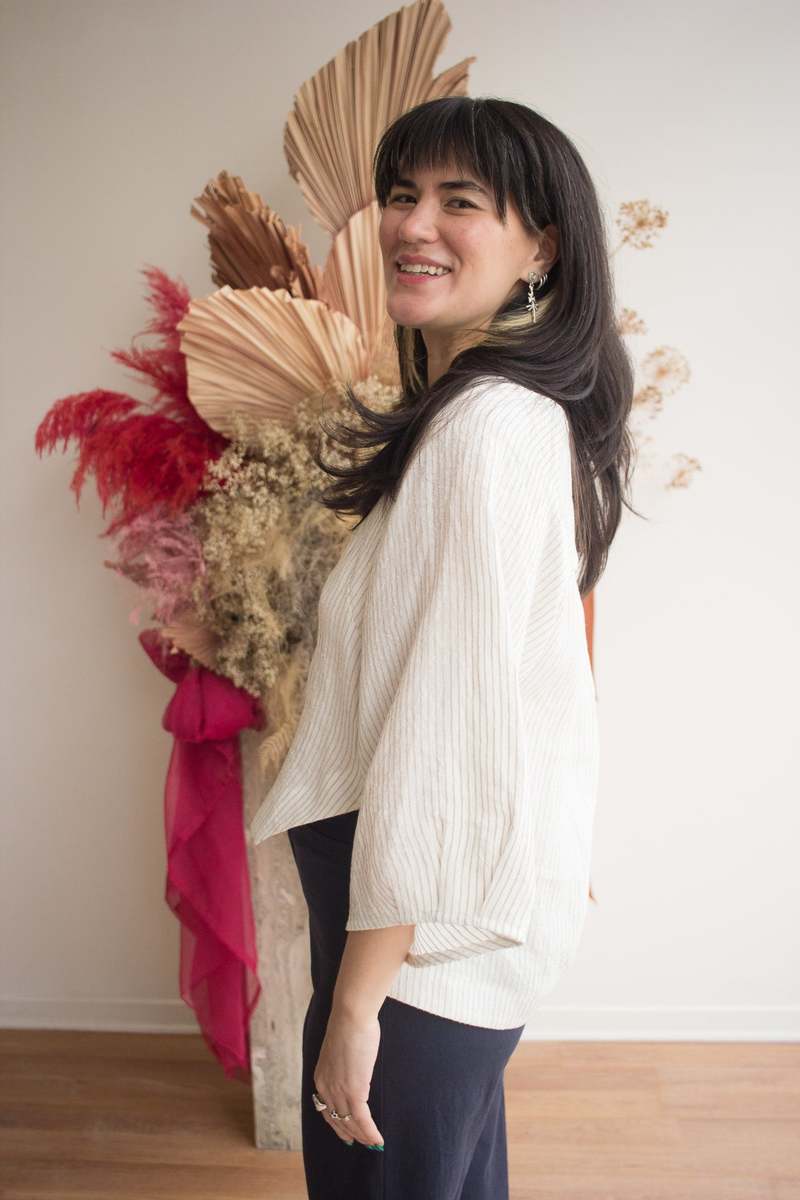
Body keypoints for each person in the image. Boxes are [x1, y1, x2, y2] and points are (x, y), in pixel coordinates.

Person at [249, 94, 636, 1200]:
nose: (414, 225)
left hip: (413, 943)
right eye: (401, 195)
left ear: (539, 249)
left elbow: (441, 737)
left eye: (459, 201)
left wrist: (356, 1003)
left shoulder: (486, 433)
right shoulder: (501, 415)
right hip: (432, 923)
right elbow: (529, 671)